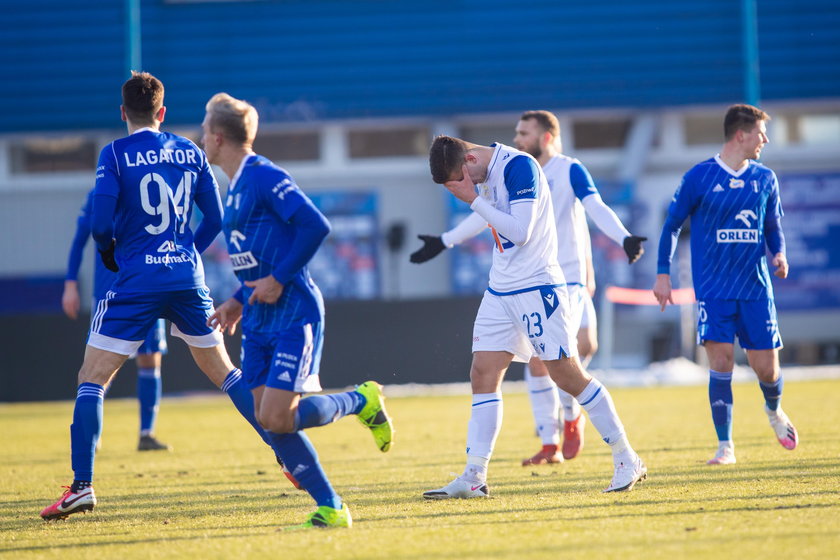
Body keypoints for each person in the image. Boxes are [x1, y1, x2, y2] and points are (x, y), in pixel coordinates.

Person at [40, 71, 290, 521]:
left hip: (135, 281)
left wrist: (110, 253)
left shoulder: (114, 154)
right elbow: (214, 219)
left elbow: (99, 224)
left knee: (92, 378)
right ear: (162, 112)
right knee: (225, 373)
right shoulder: (191, 151)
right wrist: (183, 252)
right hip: (185, 278)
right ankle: (286, 454)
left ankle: (81, 486)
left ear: (123, 113)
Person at [202, 92, 394, 529]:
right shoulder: (232, 189)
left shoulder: (264, 175)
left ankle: (359, 400)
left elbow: (315, 225)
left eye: (203, 130)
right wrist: (236, 298)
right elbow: (260, 257)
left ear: (216, 138)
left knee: (276, 416)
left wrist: (278, 280)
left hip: (293, 312)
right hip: (256, 315)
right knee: (270, 420)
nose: (201, 138)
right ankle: (331, 507)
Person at [411, 111, 647, 466]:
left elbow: (524, 229)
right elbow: (485, 214)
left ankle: (624, 455)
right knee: (483, 371)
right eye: (517, 132)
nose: (520, 137)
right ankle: (478, 475)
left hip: (543, 283)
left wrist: (623, 238)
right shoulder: (485, 172)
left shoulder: (528, 168)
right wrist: (446, 239)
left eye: (526, 132)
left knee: (568, 367)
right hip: (501, 289)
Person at [653, 103, 798, 465]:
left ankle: (774, 410)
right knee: (721, 363)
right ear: (741, 134)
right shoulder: (699, 177)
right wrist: (662, 274)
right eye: (761, 132)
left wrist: (779, 254)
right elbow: (671, 226)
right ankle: (725, 446)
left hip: (755, 288)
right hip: (714, 290)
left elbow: (773, 229)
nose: (765, 139)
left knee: (767, 369)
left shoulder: (765, 179)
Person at [63, 188, 170, 451]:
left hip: (146, 288)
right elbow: (80, 240)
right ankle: (91, 435)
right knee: (99, 366)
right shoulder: (97, 195)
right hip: (110, 291)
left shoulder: (148, 189)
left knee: (150, 358)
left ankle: (146, 434)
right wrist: (70, 283)